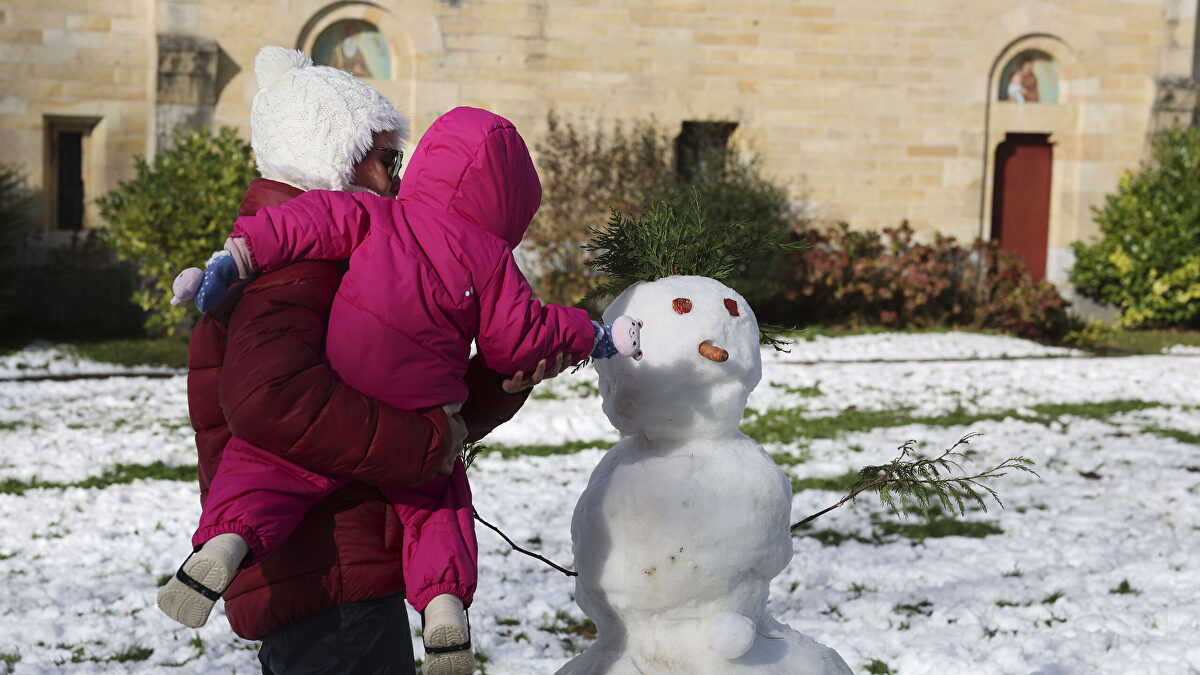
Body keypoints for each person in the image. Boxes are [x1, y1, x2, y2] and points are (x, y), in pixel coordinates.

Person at [160, 51, 642, 675]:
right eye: (389, 161)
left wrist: (495, 388)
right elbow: (272, 402)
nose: (396, 181)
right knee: (436, 502)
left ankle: (227, 547)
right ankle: (443, 603)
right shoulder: (299, 265)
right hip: (329, 573)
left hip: (337, 561)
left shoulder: (345, 242)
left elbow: (417, 390)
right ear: (336, 154)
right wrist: (430, 441)